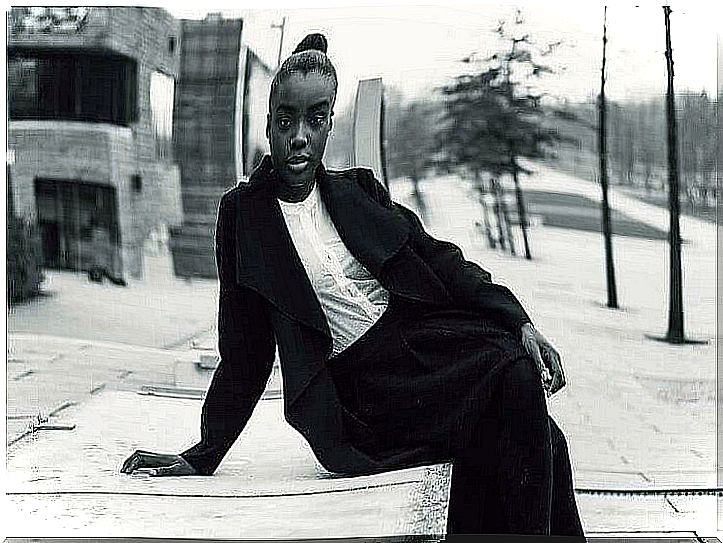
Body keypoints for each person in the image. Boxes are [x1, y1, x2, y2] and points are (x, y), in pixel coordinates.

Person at [122, 33, 584, 537]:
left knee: (535, 424)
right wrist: (202, 453)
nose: (300, 135)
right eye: (286, 119)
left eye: (316, 119)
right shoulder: (243, 215)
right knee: (522, 404)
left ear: (328, 125)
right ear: (269, 120)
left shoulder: (357, 190)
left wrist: (519, 320)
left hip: (426, 351)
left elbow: (441, 260)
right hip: (365, 393)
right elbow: (244, 353)